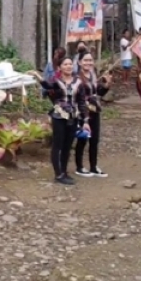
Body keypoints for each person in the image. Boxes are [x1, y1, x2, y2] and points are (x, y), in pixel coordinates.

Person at [35, 57, 90, 186]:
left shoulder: (79, 83)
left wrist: (85, 120)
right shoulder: (56, 81)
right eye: (65, 64)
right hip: (59, 116)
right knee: (57, 145)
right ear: (60, 67)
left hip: (73, 116)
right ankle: (58, 174)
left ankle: (64, 171)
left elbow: (82, 102)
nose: (68, 66)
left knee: (68, 145)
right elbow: (47, 86)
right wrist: (37, 76)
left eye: (70, 64)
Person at [74, 52, 109, 178]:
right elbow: (79, 98)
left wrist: (106, 85)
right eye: (85, 60)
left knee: (94, 140)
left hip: (95, 111)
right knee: (83, 139)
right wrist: (84, 119)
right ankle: (79, 167)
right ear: (79, 62)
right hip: (82, 112)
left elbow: (98, 92)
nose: (88, 63)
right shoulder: (77, 78)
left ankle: (93, 166)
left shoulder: (93, 76)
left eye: (90, 60)